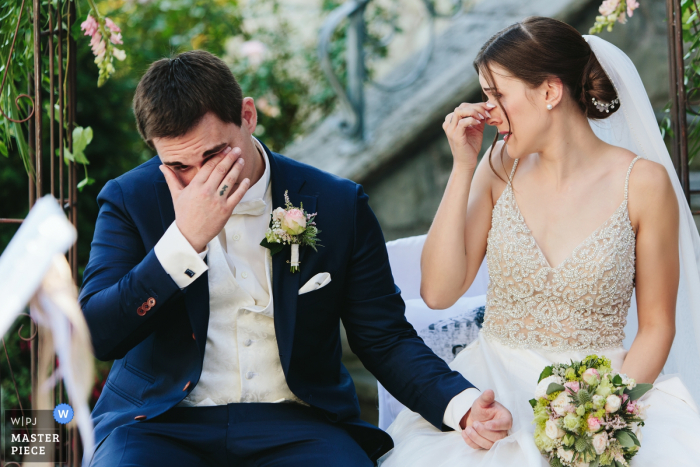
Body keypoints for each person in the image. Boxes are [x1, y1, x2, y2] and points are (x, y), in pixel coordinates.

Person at [78, 50, 513, 466]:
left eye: (213, 155)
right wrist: (183, 242)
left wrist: (461, 405)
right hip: (161, 424)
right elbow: (100, 334)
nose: (200, 180)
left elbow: (384, 337)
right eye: (178, 167)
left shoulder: (337, 203)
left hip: (297, 422)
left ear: (248, 116)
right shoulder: (130, 199)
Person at [379, 17, 700, 466]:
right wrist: (463, 166)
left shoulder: (643, 184)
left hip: (601, 392)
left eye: (497, 95)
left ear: (549, 92)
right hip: (495, 395)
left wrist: (602, 418)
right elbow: (437, 290)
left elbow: (656, 327)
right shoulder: (496, 168)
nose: (486, 111)